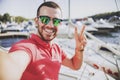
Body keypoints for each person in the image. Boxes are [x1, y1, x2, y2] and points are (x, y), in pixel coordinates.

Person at [0, 1, 86, 80]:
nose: (50, 25)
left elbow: (75, 65)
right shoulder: (27, 48)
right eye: (45, 19)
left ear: (59, 24)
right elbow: (12, 65)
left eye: (55, 21)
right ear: (36, 21)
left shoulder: (57, 49)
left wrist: (79, 50)